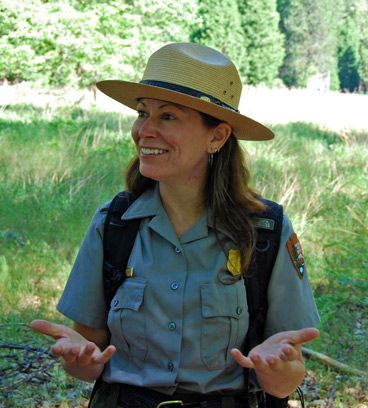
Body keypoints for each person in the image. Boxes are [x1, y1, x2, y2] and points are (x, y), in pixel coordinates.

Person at [31, 42, 320, 408]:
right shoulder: (115, 225)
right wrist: (79, 362)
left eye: (167, 117)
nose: (144, 131)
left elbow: (285, 382)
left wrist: (277, 370)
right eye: (142, 113)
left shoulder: (265, 232)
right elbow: (89, 360)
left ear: (217, 136)